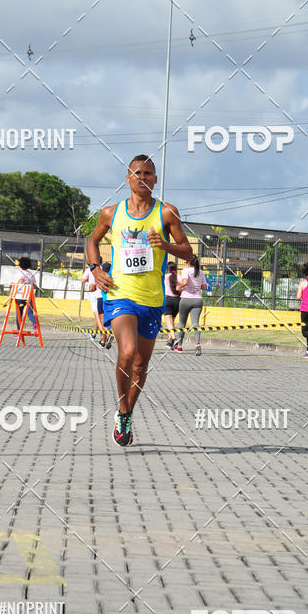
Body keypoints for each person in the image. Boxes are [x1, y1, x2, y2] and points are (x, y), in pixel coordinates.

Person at [87, 154, 193, 447]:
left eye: (148, 173)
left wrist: (166, 245)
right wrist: (96, 269)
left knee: (140, 365)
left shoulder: (167, 213)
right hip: (121, 294)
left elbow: (188, 252)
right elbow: (92, 241)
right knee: (128, 352)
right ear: (127, 178)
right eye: (137, 173)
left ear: (155, 179)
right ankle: (122, 409)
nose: (142, 178)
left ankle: (127, 414)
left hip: (153, 299)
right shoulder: (111, 213)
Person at [173, 256, 207, 355]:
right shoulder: (201, 272)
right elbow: (204, 287)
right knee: (196, 323)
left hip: (186, 299)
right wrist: (197, 285)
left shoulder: (186, 270)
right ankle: (197, 344)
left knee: (182, 323)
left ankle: (179, 346)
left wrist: (179, 287)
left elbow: (185, 282)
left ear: (188, 262)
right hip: (197, 300)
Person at [81, 264, 106, 341]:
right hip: (104, 294)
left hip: (94, 294)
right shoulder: (104, 268)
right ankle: (94, 334)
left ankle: (104, 335)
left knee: (97, 316)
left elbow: (82, 280)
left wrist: (89, 279)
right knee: (100, 315)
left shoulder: (90, 269)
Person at [15, 256, 38, 330]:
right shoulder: (31, 274)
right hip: (29, 296)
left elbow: (20, 283)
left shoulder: (20, 273)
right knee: (30, 312)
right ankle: (34, 323)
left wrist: (13, 284)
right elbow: (34, 286)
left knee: (19, 313)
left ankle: (19, 330)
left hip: (21, 296)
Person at [162, 262, 181, 349]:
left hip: (168, 300)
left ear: (168, 269)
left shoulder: (165, 277)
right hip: (178, 301)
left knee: (169, 322)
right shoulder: (179, 277)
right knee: (171, 323)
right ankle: (169, 343)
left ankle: (174, 338)